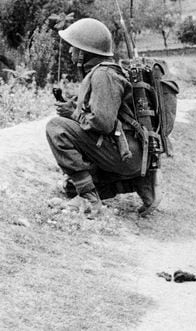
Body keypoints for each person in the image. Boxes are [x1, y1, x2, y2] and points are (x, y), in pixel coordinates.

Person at [45, 18, 161, 218]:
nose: (71, 52)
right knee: (71, 187)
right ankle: (141, 184)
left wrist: (72, 114)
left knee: (56, 127)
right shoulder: (102, 72)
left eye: (74, 48)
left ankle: (89, 200)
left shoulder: (103, 75)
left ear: (84, 53)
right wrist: (74, 107)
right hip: (130, 154)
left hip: (125, 154)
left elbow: (103, 123)